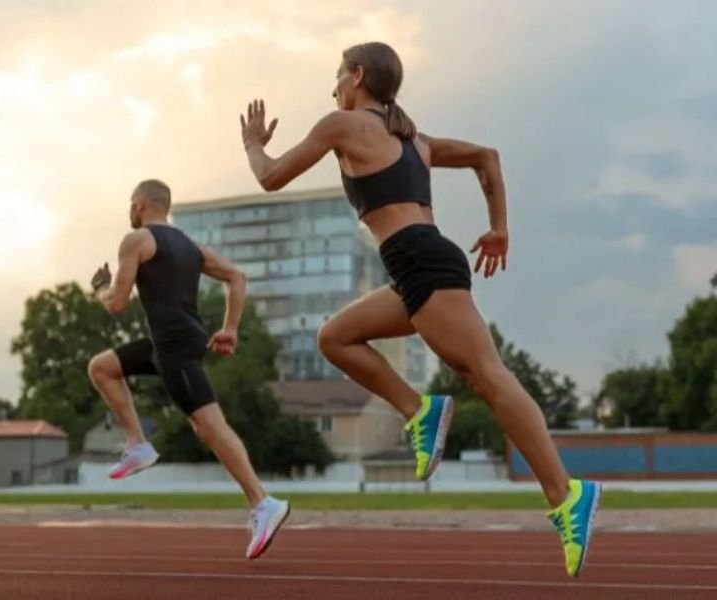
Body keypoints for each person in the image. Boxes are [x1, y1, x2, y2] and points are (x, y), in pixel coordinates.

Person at [239, 41, 601, 577]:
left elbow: (269, 176)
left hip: (421, 262)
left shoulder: (343, 126)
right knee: (334, 338)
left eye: (338, 77)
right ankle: (418, 410)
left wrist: (251, 144)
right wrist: (498, 226)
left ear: (358, 76)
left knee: (489, 377)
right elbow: (487, 157)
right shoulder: (415, 140)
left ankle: (566, 495)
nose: (333, 88)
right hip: (417, 266)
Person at [87, 179, 289, 560]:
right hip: (171, 342)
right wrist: (229, 328)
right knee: (101, 367)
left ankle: (264, 503)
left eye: (132, 203)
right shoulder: (191, 246)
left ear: (143, 203)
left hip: (175, 347)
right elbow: (237, 277)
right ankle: (138, 445)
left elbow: (115, 303)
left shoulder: (136, 241)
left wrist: (100, 286)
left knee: (210, 426)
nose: (130, 210)